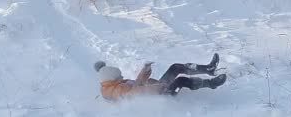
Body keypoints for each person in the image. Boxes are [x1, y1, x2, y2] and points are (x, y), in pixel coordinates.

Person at [94, 53, 226, 101]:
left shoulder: (113, 84)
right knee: (180, 80)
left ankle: (208, 69)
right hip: (162, 94)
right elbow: (136, 93)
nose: (122, 76)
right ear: (112, 77)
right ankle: (210, 84)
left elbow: (137, 85)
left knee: (175, 67)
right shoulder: (115, 90)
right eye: (119, 76)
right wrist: (158, 87)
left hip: (157, 88)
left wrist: (145, 70)